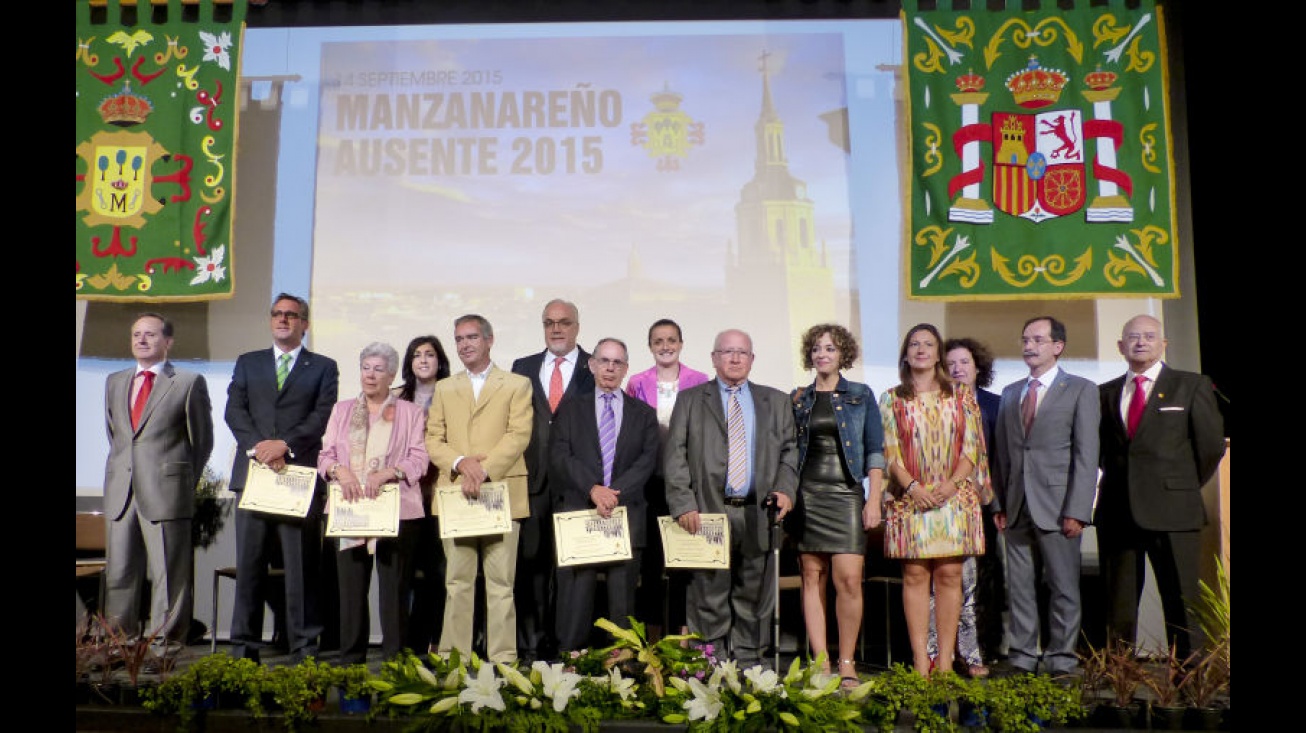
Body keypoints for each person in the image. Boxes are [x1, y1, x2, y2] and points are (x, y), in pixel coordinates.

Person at [664, 329, 798, 668]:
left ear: (752, 359)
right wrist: (683, 502)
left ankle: (751, 666)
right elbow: (675, 454)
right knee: (707, 594)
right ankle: (709, 664)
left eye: (742, 352)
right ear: (714, 358)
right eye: (727, 352)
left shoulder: (777, 401)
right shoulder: (691, 400)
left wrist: (785, 490)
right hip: (707, 512)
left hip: (758, 513)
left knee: (755, 595)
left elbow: (790, 452)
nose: (735, 358)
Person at [1095, 314, 1225, 659]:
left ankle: (1190, 681)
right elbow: (1100, 452)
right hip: (1118, 511)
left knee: (1182, 601)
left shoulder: (1191, 385)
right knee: (1118, 607)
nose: (1141, 342)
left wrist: (1179, 485)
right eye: (1133, 337)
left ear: (1163, 344)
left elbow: (1210, 447)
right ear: (1121, 346)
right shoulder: (1104, 393)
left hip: (1175, 512)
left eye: (1149, 336)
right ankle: (1118, 681)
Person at [225, 293, 340, 663]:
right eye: (277, 314)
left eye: (292, 315)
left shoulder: (323, 366)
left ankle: (304, 649)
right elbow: (234, 410)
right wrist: (259, 447)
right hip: (255, 475)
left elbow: (322, 416)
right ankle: (244, 650)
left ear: (304, 324)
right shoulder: (248, 362)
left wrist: (284, 445)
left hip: (298, 480)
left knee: (301, 570)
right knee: (251, 569)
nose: (283, 320)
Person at [876, 323, 990, 677]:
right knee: (914, 575)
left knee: (950, 574)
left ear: (938, 353)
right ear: (906, 354)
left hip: (953, 498)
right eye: (914, 344)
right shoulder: (892, 398)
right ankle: (920, 661)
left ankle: (944, 661)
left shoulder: (960, 395)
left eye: (928, 344)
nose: (921, 349)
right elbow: (890, 452)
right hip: (911, 499)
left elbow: (972, 446)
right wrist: (912, 487)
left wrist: (952, 485)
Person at [991, 315, 1100, 677]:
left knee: (1063, 586)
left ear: (1058, 346)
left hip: (1058, 507)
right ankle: (1022, 655)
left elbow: (1087, 455)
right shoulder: (1010, 393)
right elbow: (1003, 456)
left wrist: (1078, 509)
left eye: (1038, 339)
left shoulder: (1081, 389)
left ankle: (1061, 658)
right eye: (1025, 339)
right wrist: (1001, 504)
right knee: (1019, 588)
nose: (1029, 346)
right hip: (1017, 506)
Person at [102, 312, 214, 658]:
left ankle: (163, 646)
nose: (141, 340)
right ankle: (119, 644)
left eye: (150, 334)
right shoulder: (115, 381)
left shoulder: (187, 381)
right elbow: (117, 436)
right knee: (119, 571)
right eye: (136, 334)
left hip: (166, 490)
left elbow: (203, 441)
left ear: (168, 342)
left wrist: (179, 481)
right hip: (122, 489)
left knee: (169, 573)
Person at [426, 314, 533, 664]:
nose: (464, 345)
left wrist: (483, 469)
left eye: (472, 337)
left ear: (489, 340)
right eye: (458, 339)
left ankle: (503, 661)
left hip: (501, 493)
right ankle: (453, 660)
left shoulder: (517, 384)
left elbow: (519, 435)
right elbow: (433, 438)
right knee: (457, 583)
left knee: (501, 585)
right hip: (457, 493)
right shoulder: (445, 387)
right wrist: (461, 463)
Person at [317, 342, 431, 664]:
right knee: (351, 596)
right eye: (366, 367)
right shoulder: (342, 410)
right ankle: (350, 669)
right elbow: (325, 457)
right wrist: (341, 471)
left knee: (394, 595)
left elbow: (419, 459)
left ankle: (395, 668)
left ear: (392, 374)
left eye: (379, 369)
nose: (371, 375)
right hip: (350, 511)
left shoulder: (409, 412)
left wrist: (390, 472)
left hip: (396, 512)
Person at [788, 324, 885, 687]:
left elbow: (875, 450)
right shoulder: (798, 398)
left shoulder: (861, 394)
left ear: (842, 353)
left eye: (829, 348)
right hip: (807, 495)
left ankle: (847, 661)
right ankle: (821, 661)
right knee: (812, 577)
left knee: (848, 580)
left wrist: (873, 498)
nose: (821, 354)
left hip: (846, 495)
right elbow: (788, 451)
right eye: (815, 349)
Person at [550, 338, 660, 652]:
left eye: (617, 363)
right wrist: (592, 489)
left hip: (625, 517)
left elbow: (646, 461)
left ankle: (622, 669)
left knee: (622, 606)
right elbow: (560, 455)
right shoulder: (571, 409)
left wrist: (613, 494)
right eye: (604, 361)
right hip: (581, 514)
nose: (610, 368)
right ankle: (570, 671)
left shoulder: (643, 414)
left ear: (626, 369)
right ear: (593, 364)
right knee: (576, 600)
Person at [511, 298, 594, 662]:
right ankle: (530, 646)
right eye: (549, 323)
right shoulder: (522, 367)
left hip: (577, 485)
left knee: (571, 571)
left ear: (577, 326)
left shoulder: (595, 368)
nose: (556, 329)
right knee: (530, 567)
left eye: (563, 322)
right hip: (532, 482)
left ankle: (567, 646)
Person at [624, 318, 710, 637]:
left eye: (671, 340)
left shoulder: (700, 380)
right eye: (658, 341)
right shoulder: (636, 382)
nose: (665, 346)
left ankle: (682, 633)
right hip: (647, 485)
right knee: (650, 564)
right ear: (650, 347)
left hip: (686, 485)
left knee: (683, 562)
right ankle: (650, 635)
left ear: (681, 344)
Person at [925, 337, 1004, 678]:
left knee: (977, 583)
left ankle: (975, 651)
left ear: (978, 367)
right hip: (938, 504)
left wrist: (996, 502)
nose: (957, 369)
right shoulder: (932, 402)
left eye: (964, 363)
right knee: (939, 583)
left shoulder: (993, 405)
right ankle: (937, 653)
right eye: (951, 363)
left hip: (979, 506)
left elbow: (1000, 459)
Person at [394, 335, 452, 653]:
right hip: (406, 496)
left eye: (429, 354)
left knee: (437, 574)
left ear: (439, 360)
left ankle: (433, 642)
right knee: (404, 575)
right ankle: (405, 645)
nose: (424, 360)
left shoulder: (454, 393)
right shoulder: (397, 399)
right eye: (417, 355)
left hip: (442, 494)